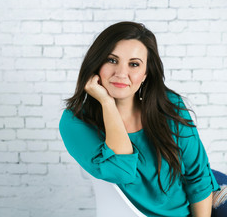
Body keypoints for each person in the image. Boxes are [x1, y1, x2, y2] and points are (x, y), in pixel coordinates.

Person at [59, 21, 226, 216]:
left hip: (195, 195)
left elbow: (197, 176)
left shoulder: (169, 104)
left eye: (134, 64)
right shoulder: (75, 122)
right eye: (112, 60)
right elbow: (122, 171)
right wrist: (107, 103)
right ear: (96, 64)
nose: (121, 73)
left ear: (145, 74)